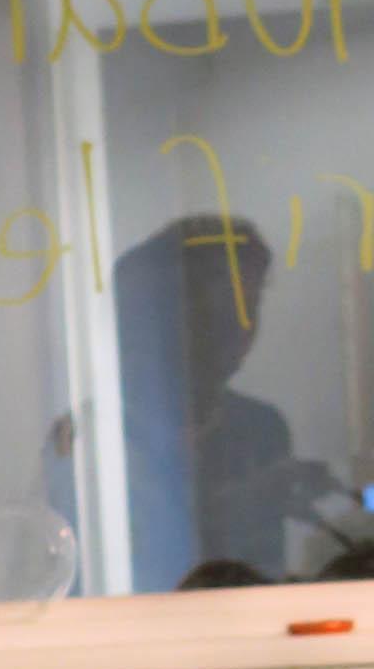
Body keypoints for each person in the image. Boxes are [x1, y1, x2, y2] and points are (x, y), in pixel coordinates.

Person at [115, 217, 338, 589]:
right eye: (226, 304)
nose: (244, 324)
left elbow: (260, 586)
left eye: (252, 303)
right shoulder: (96, 438)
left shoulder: (262, 429)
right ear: (163, 311)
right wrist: (248, 501)